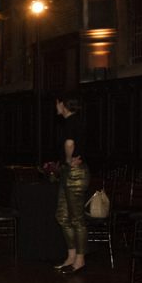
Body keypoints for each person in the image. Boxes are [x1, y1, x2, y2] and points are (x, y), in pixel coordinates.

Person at [54, 96, 88, 274]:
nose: (56, 106)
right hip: (72, 172)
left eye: (57, 102)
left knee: (76, 218)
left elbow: (69, 143)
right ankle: (71, 255)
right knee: (62, 215)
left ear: (63, 104)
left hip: (76, 172)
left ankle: (80, 259)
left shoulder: (71, 122)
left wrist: (68, 160)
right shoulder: (74, 121)